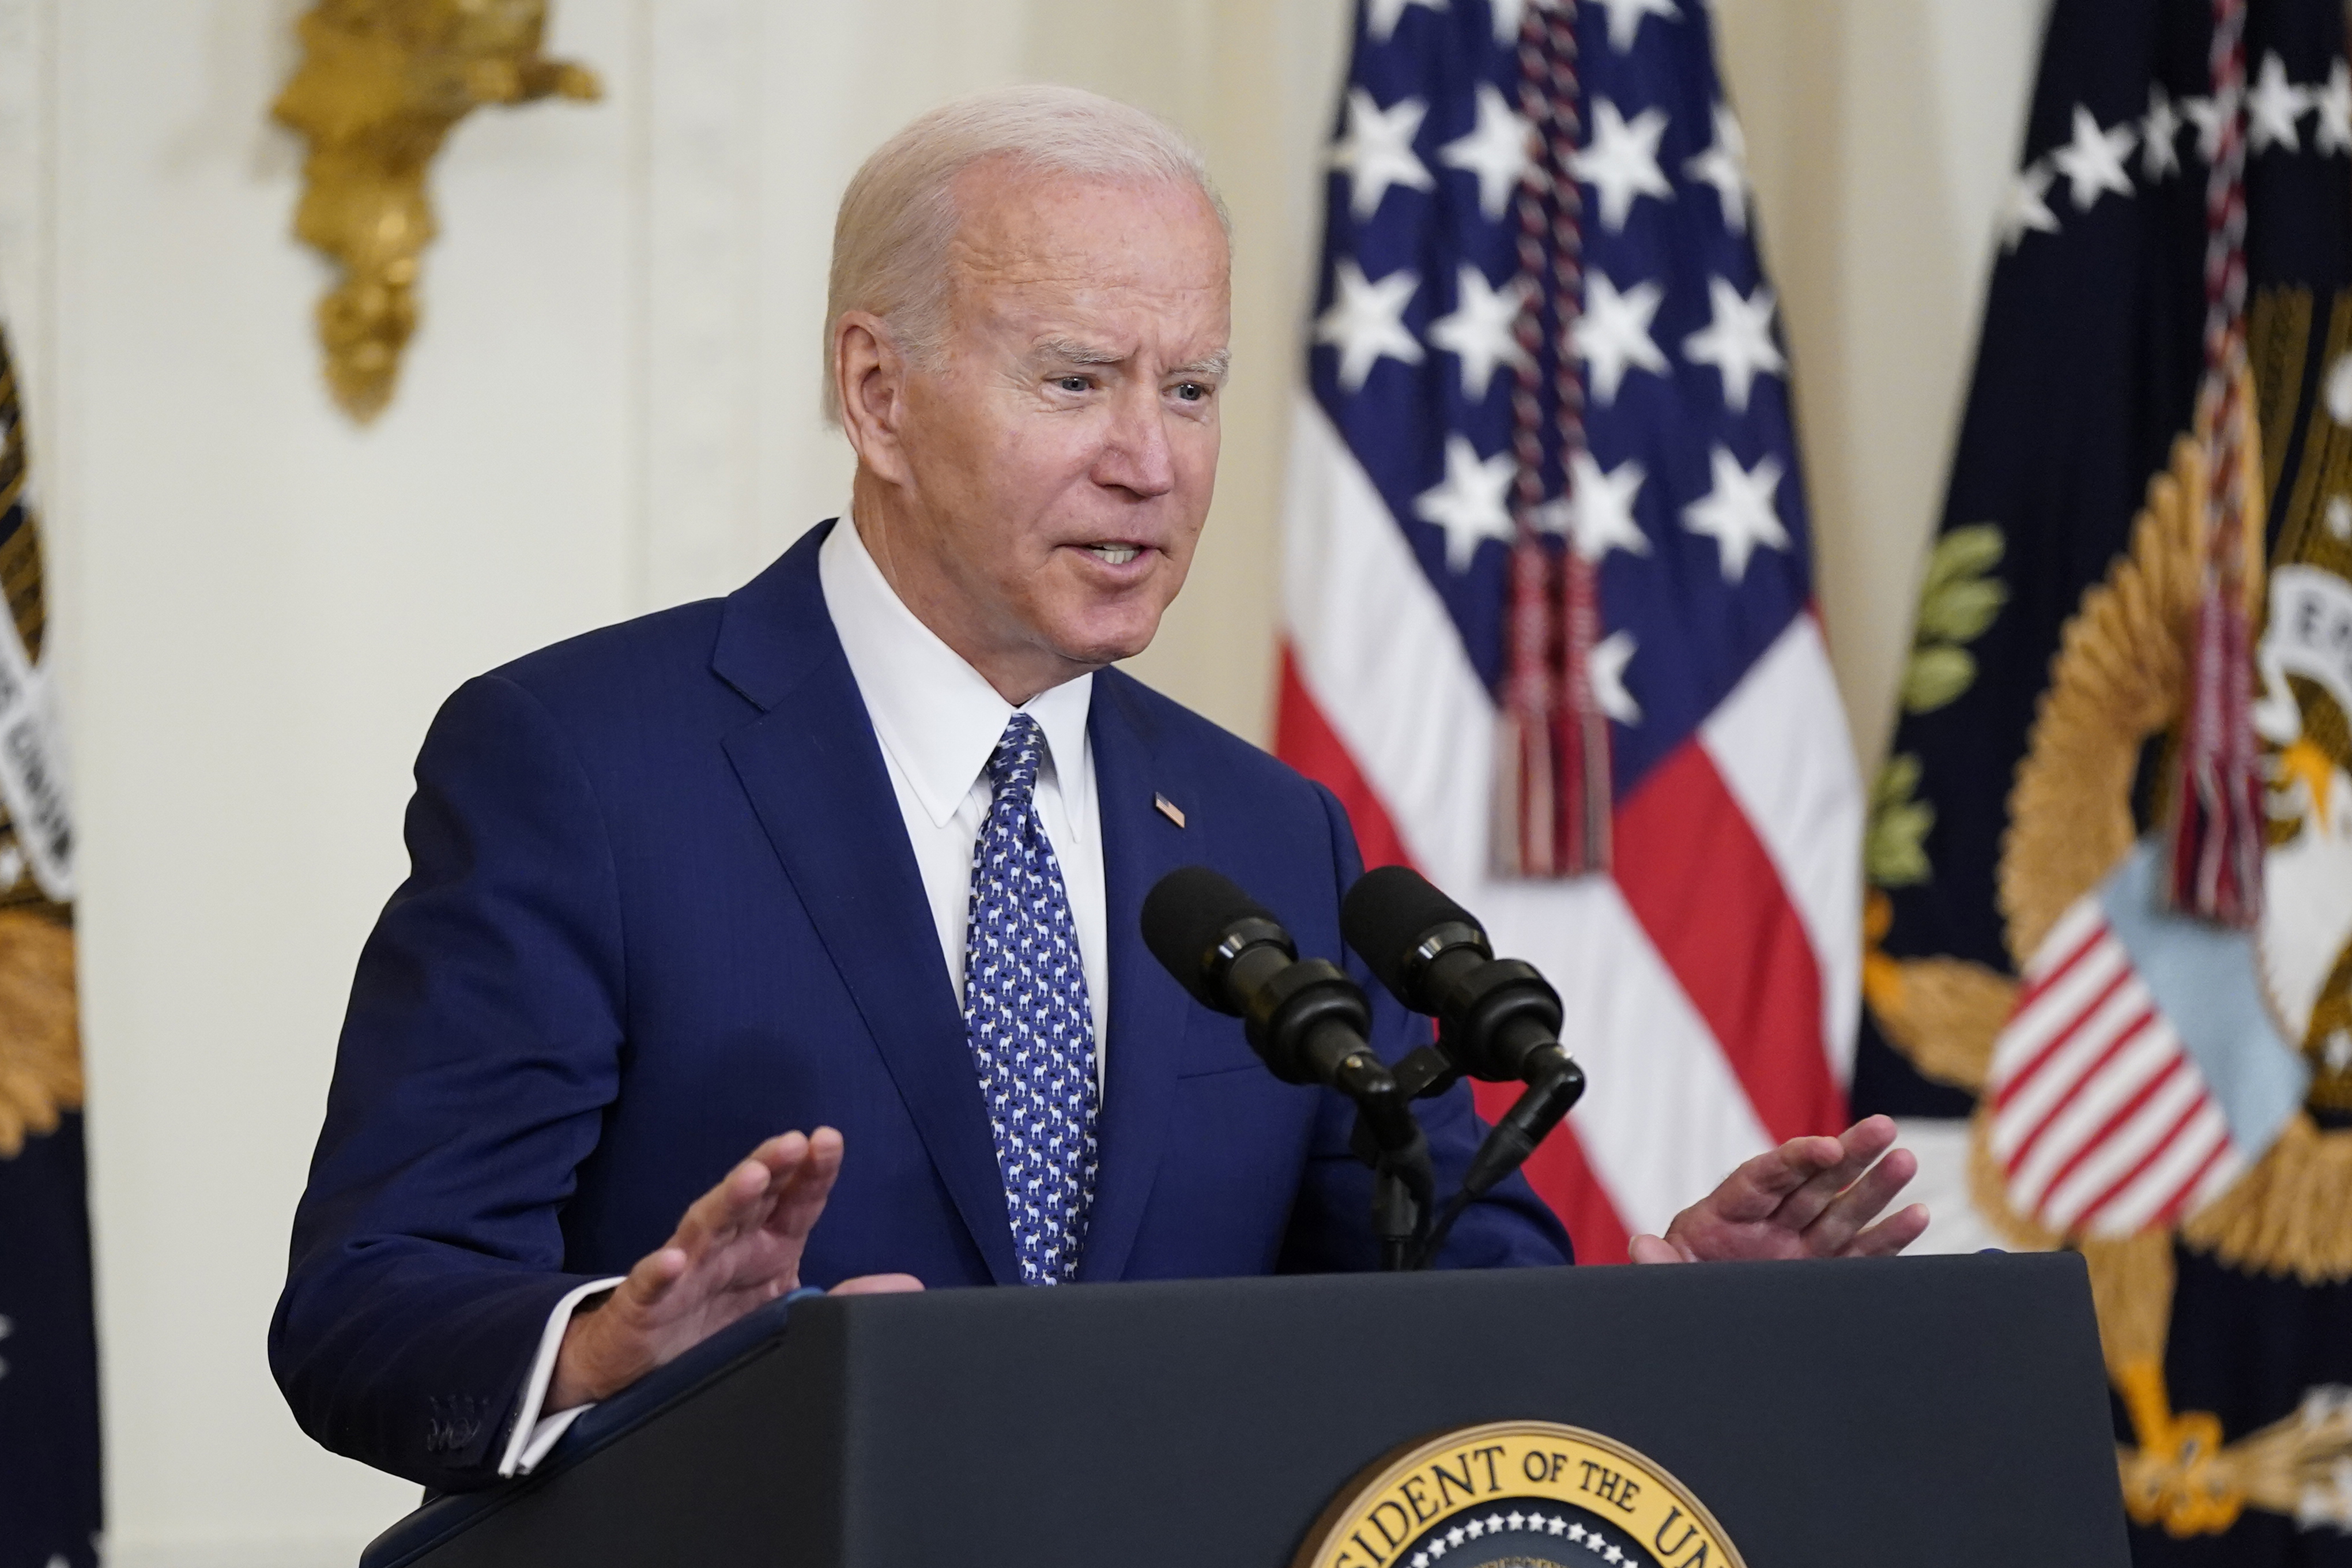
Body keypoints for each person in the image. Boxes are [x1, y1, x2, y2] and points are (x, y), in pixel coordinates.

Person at [269, 85, 1927, 1494]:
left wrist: (1665, 1304)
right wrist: (620, 1346)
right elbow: (368, 1301)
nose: (1151, 458)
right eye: (1076, 381)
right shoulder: (586, 763)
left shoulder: (1272, 834)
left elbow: (1424, 1292)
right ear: (877, 393)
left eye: (1189, 388)